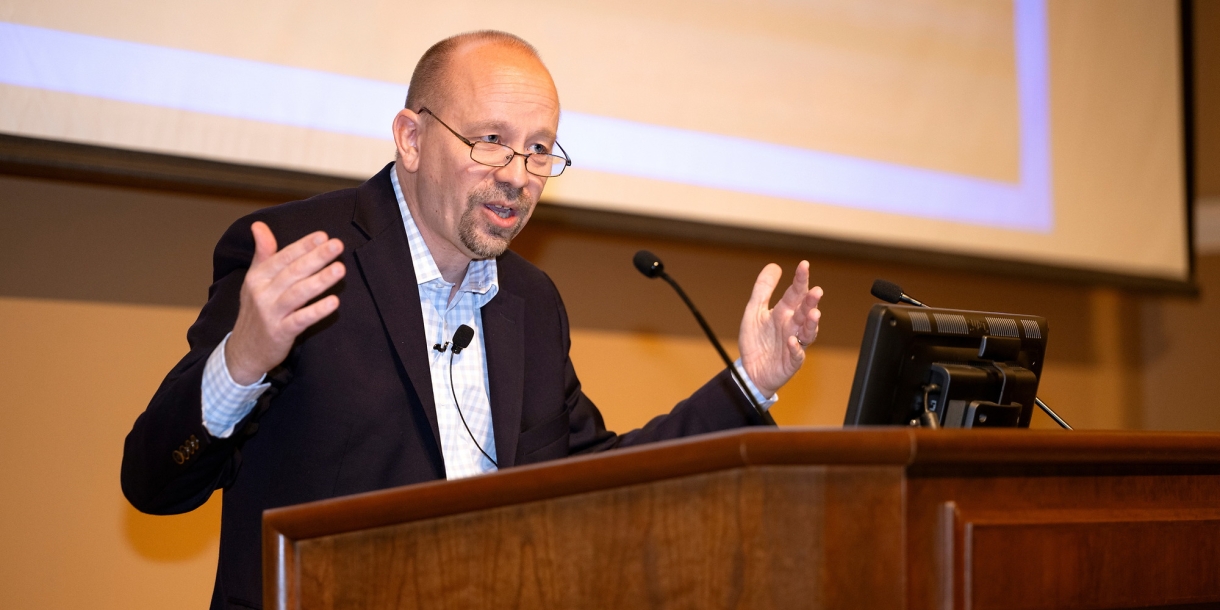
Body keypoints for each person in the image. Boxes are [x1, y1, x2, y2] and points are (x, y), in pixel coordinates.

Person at [122, 30, 823, 610]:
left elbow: (593, 481)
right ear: (411, 138)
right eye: (490, 139)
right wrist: (242, 361)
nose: (518, 173)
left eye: (540, 148)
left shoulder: (532, 302)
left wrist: (749, 384)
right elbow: (154, 482)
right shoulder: (298, 257)